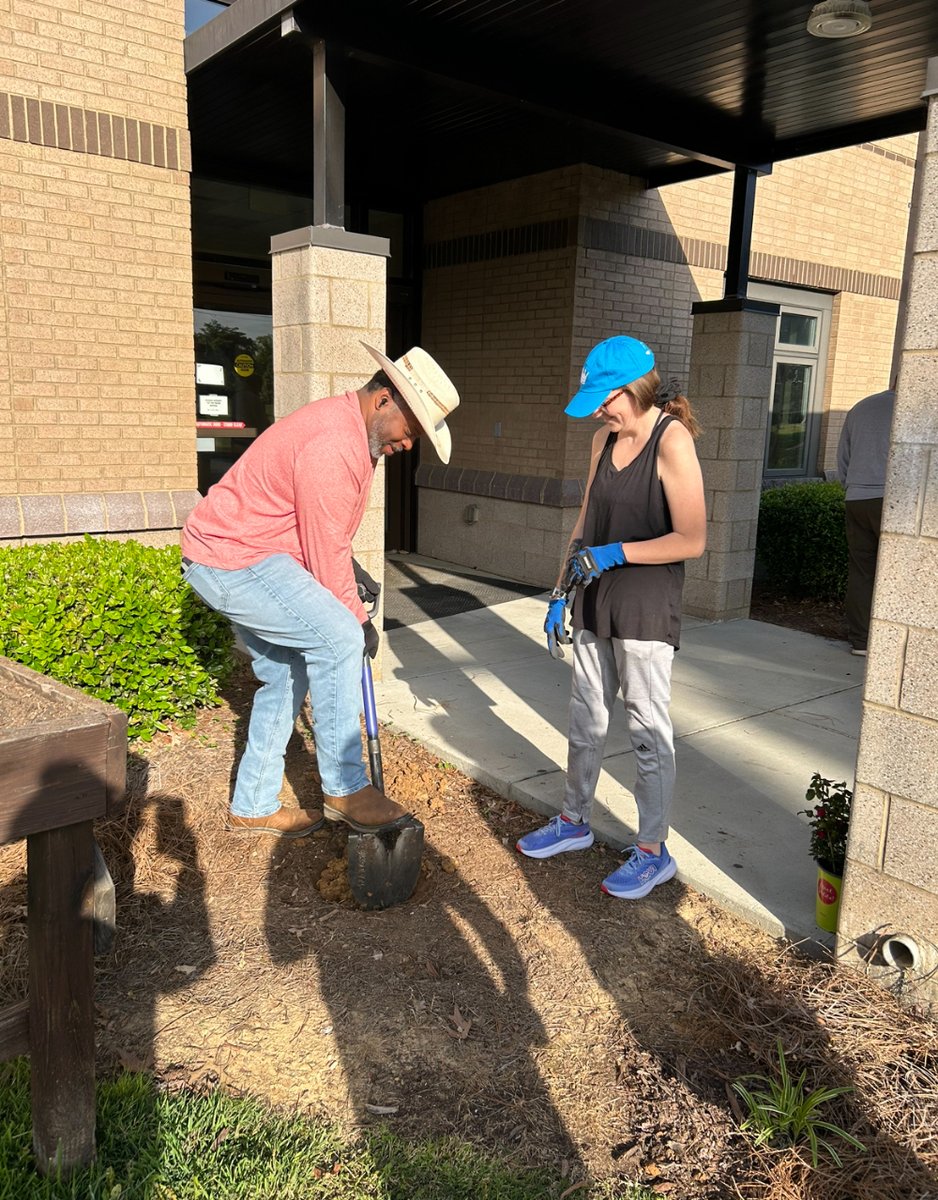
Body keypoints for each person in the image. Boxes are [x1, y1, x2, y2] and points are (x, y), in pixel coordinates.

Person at [181, 343, 459, 837]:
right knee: (339, 638)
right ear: (385, 399)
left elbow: (315, 525)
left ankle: (253, 805)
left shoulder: (348, 431)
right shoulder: (335, 443)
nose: (409, 443)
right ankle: (346, 788)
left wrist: (350, 569)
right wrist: (356, 617)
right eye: (411, 429)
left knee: (289, 671)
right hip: (233, 559)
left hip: (248, 552)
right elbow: (324, 543)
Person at [516, 336, 706, 899]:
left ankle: (653, 851)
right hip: (593, 599)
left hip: (645, 608)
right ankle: (573, 822)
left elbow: (692, 539)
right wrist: (558, 592)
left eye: (606, 399)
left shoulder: (672, 441)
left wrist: (621, 551)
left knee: (647, 731)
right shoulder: (603, 439)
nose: (599, 410)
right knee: (585, 720)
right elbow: (583, 525)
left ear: (633, 389)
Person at [836, 385, 896, 657]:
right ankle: (892, 639)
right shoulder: (918, 409)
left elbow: (843, 458)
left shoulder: (861, 407)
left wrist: (851, 486)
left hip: (857, 497)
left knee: (861, 571)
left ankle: (860, 640)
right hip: (895, 499)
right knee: (898, 573)